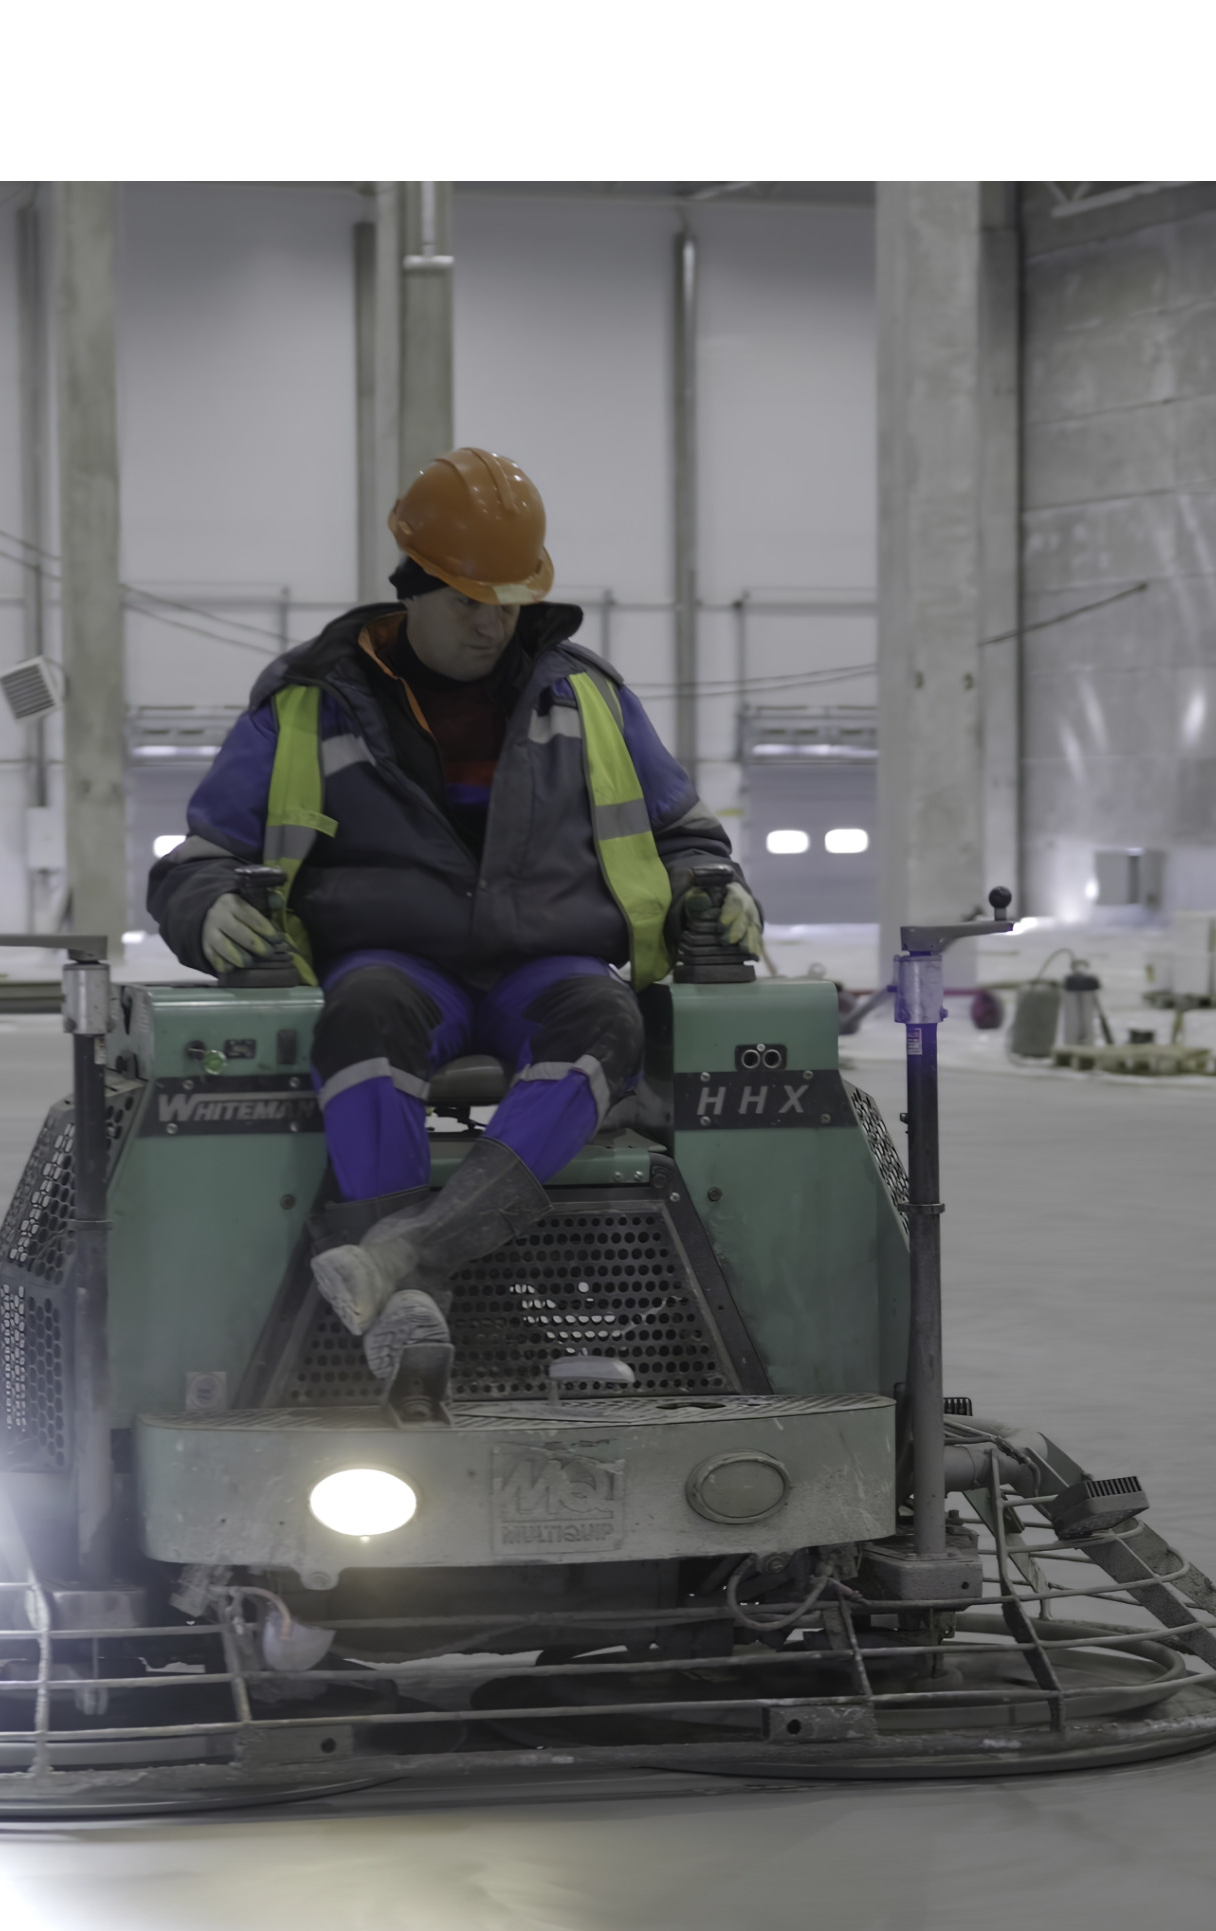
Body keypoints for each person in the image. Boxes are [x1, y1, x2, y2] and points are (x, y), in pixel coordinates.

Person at [148, 447, 764, 1384]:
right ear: (413, 588)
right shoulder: (311, 703)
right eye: (471, 602)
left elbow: (682, 835)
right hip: (397, 966)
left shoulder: (587, 696)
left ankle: (408, 1260)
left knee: (607, 1019)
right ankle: (415, 1285)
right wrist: (205, 908)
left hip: (545, 966)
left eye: (511, 602)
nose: (493, 624)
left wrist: (717, 885)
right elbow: (203, 857)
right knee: (362, 1017)